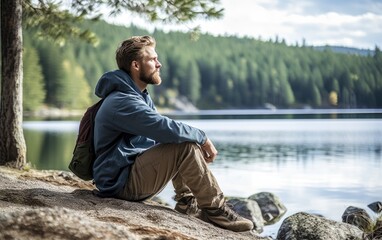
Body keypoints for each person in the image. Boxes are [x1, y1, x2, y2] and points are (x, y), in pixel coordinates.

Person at [92, 35, 254, 232]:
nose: (159, 64)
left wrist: (195, 139)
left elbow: (164, 132)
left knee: (183, 140)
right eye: (152, 59)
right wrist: (202, 137)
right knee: (184, 144)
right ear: (135, 65)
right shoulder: (122, 101)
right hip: (119, 183)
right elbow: (163, 128)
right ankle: (216, 211)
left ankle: (187, 204)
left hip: (122, 175)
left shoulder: (136, 95)